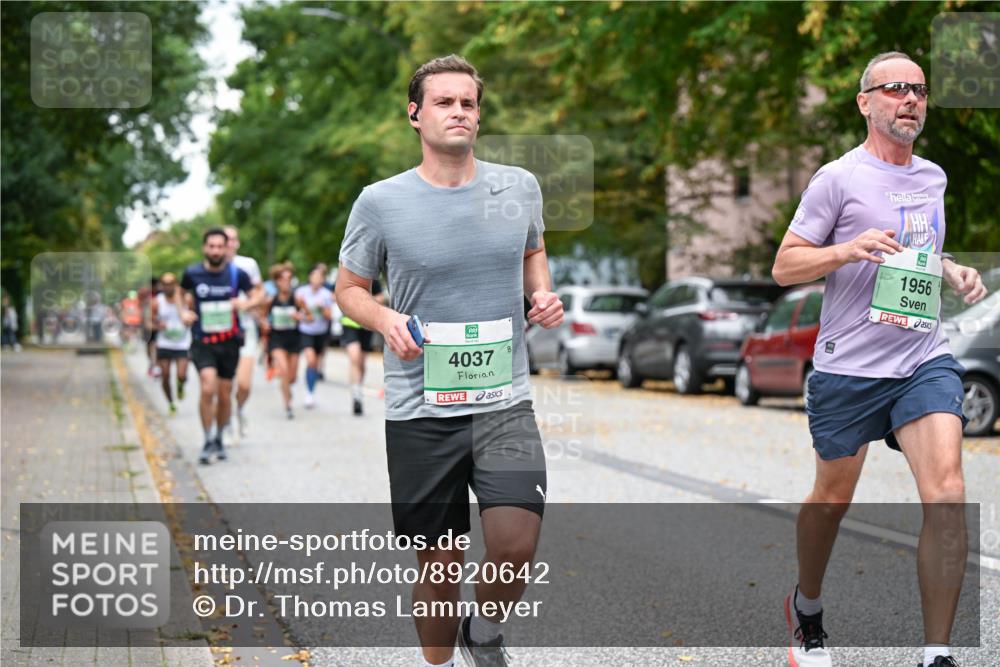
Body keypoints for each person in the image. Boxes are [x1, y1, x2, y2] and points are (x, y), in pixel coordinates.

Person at [336, 54, 563, 667]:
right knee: (438, 564)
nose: (459, 112)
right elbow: (349, 290)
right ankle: (439, 660)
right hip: (419, 408)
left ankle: (484, 633)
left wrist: (539, 292)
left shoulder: (517, 186)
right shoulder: (381, 203)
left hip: (503, 403)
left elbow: (532, 251)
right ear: (415, 114)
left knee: (516, 544)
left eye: (468, 102)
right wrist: (385, 320)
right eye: (444, 101)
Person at [771, 52, 987, 667]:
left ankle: (937, 653)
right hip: (850, 365)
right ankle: (806, 608)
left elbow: (921, 253)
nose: (911, 99)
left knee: (946, 489)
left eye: (919, 90)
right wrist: (846, 250)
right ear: (866, 102)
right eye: (895, 89)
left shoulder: (934, 177)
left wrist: (952, 269)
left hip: (922, 357)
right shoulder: (837, 178)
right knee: (831, 501)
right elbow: (785, 267)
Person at [180, 227, 261, 465]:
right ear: (205, 248)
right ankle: (206, 440)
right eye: (211, 246)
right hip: (202, 341)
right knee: (207, 388)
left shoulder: (237, 274)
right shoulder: (192, 273)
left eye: (219, 246)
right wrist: (183, 312)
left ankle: (218, 436)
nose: (215, 250)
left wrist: (246, 303)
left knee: (225, 394)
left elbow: (260, 293)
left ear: (226, 248)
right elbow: (179, 294)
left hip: (229, 342)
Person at [223, 225, 264, 443]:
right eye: (225, 239)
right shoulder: (210, 267)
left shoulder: (247, 265)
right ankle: (227, 424)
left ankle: (239, 410)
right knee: (225, 385)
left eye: (232, 239)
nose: (229, 243)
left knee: (244, 384)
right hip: (220, 332)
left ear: (237, 243)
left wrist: (245, 303)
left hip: (245, 329)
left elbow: (261, 294)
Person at [339, 277, 385, 415]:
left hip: (366, 326)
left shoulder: (373, 281)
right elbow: (341, 295)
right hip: (349, 324)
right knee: (355, 357)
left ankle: (357, 387)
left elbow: (380, 298)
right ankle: (356, 395)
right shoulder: (351, 276)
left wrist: (365, 303)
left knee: (361, 363)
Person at [150, 273, 192, 414]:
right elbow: (150, 322)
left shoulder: (187, 300)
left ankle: (181, 385)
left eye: (171, 283)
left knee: (181, 374)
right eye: (165, 284)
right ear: (162, 285)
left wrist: (190, 320)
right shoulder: (157, 302)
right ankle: (171, 402)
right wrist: (158, 325)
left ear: (176, 284)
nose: (168, 287)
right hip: (164, 343)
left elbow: (195, 316)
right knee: (165, 375)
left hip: (183, 343)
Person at [265, 263, 302, 419]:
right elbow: (262, 317)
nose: (285, 282)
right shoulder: (270, 300)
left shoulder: (298, 299)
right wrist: (264, 324)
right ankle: (288, 406)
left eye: (288, 279)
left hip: (294, 339)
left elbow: (310, 317)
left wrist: (301, 317)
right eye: (282, 279)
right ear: (276, 282)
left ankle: (287, 388)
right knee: (284, 370)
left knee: (292, 377)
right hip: (277, 339)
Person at [295, 265, 334, 409]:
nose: (317, 280)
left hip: (321, 333)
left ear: (322, 280)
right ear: (310, 278)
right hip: (306, 331)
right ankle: (308, 394)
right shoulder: (301, 292)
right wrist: (301, 315)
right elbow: (295, 312)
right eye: (314, 277)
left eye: (319, 277)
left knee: (315, 365)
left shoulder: (326, 294)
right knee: (310, 361)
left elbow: (330, 316)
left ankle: (311, 391)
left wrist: (322, 309)